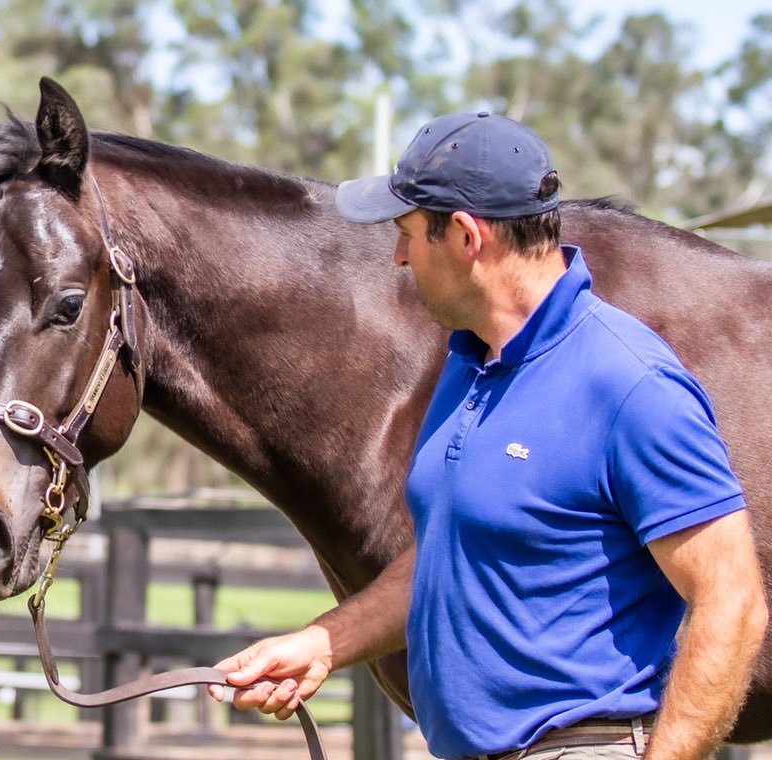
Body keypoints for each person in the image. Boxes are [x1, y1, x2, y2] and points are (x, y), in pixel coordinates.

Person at [208, 112, 768, 760]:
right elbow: (450, 554)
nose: (397, 256)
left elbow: (733, 602)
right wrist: (323, 643)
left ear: (467, 238)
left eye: (409, 233)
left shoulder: (627, 383)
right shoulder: (470, 365)